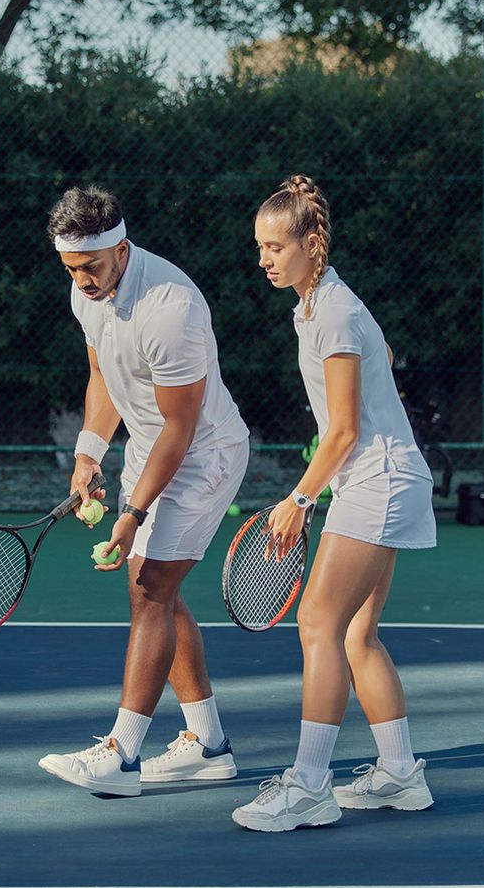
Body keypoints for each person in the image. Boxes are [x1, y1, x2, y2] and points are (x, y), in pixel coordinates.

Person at [231, 174, 437, 832]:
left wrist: (300, 498)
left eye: (275, 247)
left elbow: (343, 428)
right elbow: (377, 374)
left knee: (318, 622)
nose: (265, 259)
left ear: (311, 242)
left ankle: (310, 785)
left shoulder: (337, 312)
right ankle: (400, 773)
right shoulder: (320, 308)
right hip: (382, 478)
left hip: (376, 481)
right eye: (260, 247)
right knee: (354, 632)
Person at [37, 185, 251, 798]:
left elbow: (180, 429)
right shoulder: (87, 292)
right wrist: (86, 453)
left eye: (91, 268)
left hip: (203, 456)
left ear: (122, 250)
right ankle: (207, 744)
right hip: (147, 448)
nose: (80, 280)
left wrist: (132, 512)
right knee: (151, 587)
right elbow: (101, 373)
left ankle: (121, 754)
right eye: (70, 269)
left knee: (151, 586)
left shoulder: (171, 308)